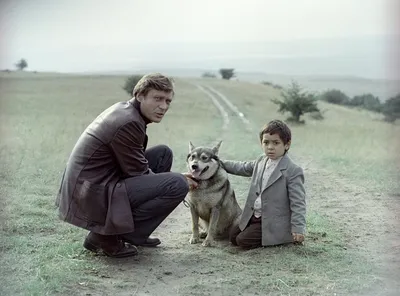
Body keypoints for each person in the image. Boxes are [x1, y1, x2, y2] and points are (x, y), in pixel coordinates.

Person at [55, 73, 198, 258]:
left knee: (163, 154)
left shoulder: (127, 111)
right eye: (157, 99)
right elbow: (137, 172)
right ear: (140, 95)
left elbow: (136, 166)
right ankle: (106, 237)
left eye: (168, 101)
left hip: (94, 185)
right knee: (177, 184)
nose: (163, 106)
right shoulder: (129, 122)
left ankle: (130, 233)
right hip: (91, 194)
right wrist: (180, 179)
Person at [221, 119, 306, 249]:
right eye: (266, 142)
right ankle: (253, 228)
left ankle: (279, 237)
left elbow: (298, 202)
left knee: (242, 241)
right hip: (254, 215)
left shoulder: (293, 170)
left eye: (276, 143)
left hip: (272, 222)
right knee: (232, 236)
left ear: (287, 145)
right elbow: (242, 167)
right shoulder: (261, 160)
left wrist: (298, 229)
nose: (270, 147)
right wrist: (219, 163)